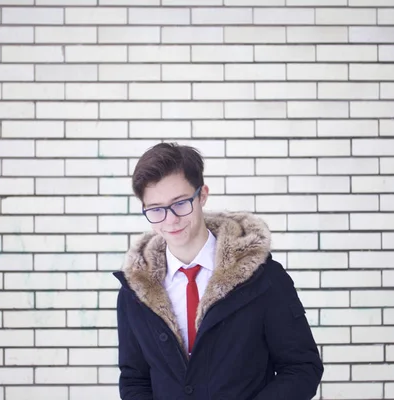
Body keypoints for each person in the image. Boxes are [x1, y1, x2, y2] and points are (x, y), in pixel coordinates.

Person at [113, 142, 324, 400]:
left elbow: (302, 368)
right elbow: (135, 380)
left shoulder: (263, 278)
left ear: (202, 195)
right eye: (156, 209)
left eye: (180, 203)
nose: (170, 220)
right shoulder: (135, 291)